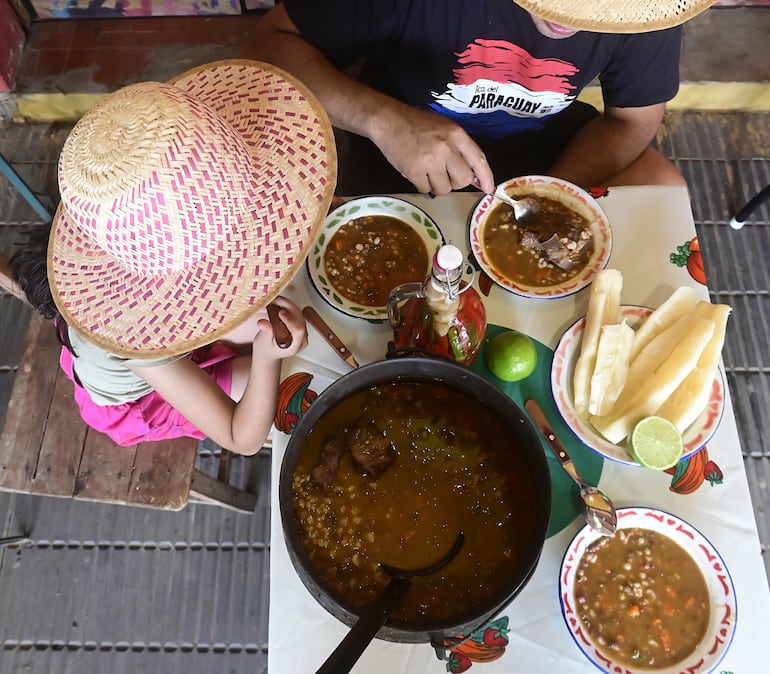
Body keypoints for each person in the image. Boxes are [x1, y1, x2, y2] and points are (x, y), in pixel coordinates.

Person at [10, 59, 337, 455]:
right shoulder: (132, 331)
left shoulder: (139, 199)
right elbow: (241, 437)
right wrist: (267, 358)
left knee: (266, 335)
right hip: (140, 398)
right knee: (293, 385)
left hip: (158, 351)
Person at [244, 0, 716, 195]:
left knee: (662, 182)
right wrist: (385, 122)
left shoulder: (639, 15)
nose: (569, 19)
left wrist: (546, 194)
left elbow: (633, 121)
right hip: (400, 149)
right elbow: (270, 44)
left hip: (550, 152)